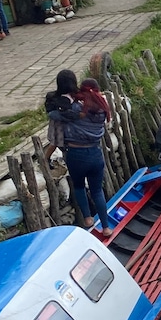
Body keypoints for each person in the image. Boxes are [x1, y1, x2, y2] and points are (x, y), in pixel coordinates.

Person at [50, 74, 114, 230]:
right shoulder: (102, 110)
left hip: (75, 155)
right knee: (97, 190)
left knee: (79, 187)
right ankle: (106, 227)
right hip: (95, 154)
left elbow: (53, 114)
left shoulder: (76, 108)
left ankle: (87, 218)